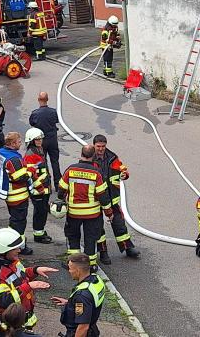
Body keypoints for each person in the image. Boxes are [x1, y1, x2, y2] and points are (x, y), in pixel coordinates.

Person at [0, 228, 58, 331]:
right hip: (11, 324)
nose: (19, 250)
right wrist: (29, 286)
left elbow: (21, 276)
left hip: (23, 320)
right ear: (4, 251)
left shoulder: (11, 261)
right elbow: (4, 301)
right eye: (15, 248)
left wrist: (35, 270)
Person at [59, 144, 113, 270]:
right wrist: (109, 213)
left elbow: (61, 189)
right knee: (90, 239)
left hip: (73, 213)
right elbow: (103, 196)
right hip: (92, 214)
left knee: (73, 238)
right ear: (93, 156)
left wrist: (60, 201)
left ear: (81, 154)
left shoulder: (70, 170)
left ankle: (72, 264)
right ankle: (91, 265)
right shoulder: (96, 173)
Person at [92, 134, 140, 262]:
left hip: (111, 197)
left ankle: (127, 247)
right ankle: (103, 252)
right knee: (98, 226)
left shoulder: (112, 157)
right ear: (94, 145)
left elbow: (122, 168)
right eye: (98, 146)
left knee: (119, 223)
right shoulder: (90, 158)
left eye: (103, 146)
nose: (101, 149)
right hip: (96, 198)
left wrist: (125, 174)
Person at [0, 131, 38, 255]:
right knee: (19, 222)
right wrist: (31, 171)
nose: (20, 143)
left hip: (9, 194)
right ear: (12, 144)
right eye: (18, 141)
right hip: (18, 196)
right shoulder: (14, 159)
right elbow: (20, 177)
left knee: (14, 220)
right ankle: (19, 246)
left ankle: (12, 240)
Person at [51, 253, 106, 337]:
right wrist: (70, 303)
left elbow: (83, 327)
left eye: (70, 268)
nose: (69, 271)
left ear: (78, 271)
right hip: (93, 330)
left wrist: (78, 301)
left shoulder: (82, 296)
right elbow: (90, 303)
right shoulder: (95, 280)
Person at [23, 128, 53, 244]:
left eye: (41, 138)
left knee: (43, 211)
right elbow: (31, 174)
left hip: (43, 187)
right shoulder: (31, 154)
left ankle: (40, 231)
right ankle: (38, 234)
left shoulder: (38, 150)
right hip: (38, 189)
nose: (40, 141)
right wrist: (39, 187)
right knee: (40, 212)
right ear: (31, 141)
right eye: (37, 139)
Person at [28, 91, 61, 179]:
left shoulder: (35, 113)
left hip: (41, 141)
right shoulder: (53, 111)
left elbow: (32, 123)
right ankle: (58, 182)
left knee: (43, 161)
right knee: (55, 161)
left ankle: (46, 180)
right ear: (47, 99)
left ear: (38, 99)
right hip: (53, 140)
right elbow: (56, 120)